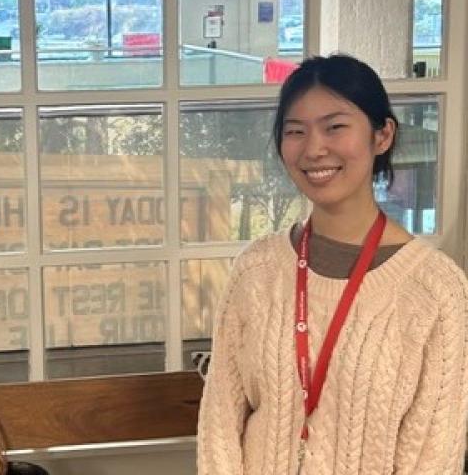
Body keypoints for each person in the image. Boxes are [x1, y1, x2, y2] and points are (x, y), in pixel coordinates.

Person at [197, 54, 468, 475]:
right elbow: (220, 425)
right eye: (295, 131)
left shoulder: (435, 289)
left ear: (382, 135)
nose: (313, 149)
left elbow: (435, 455)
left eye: (335, 127)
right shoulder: (256, 271)